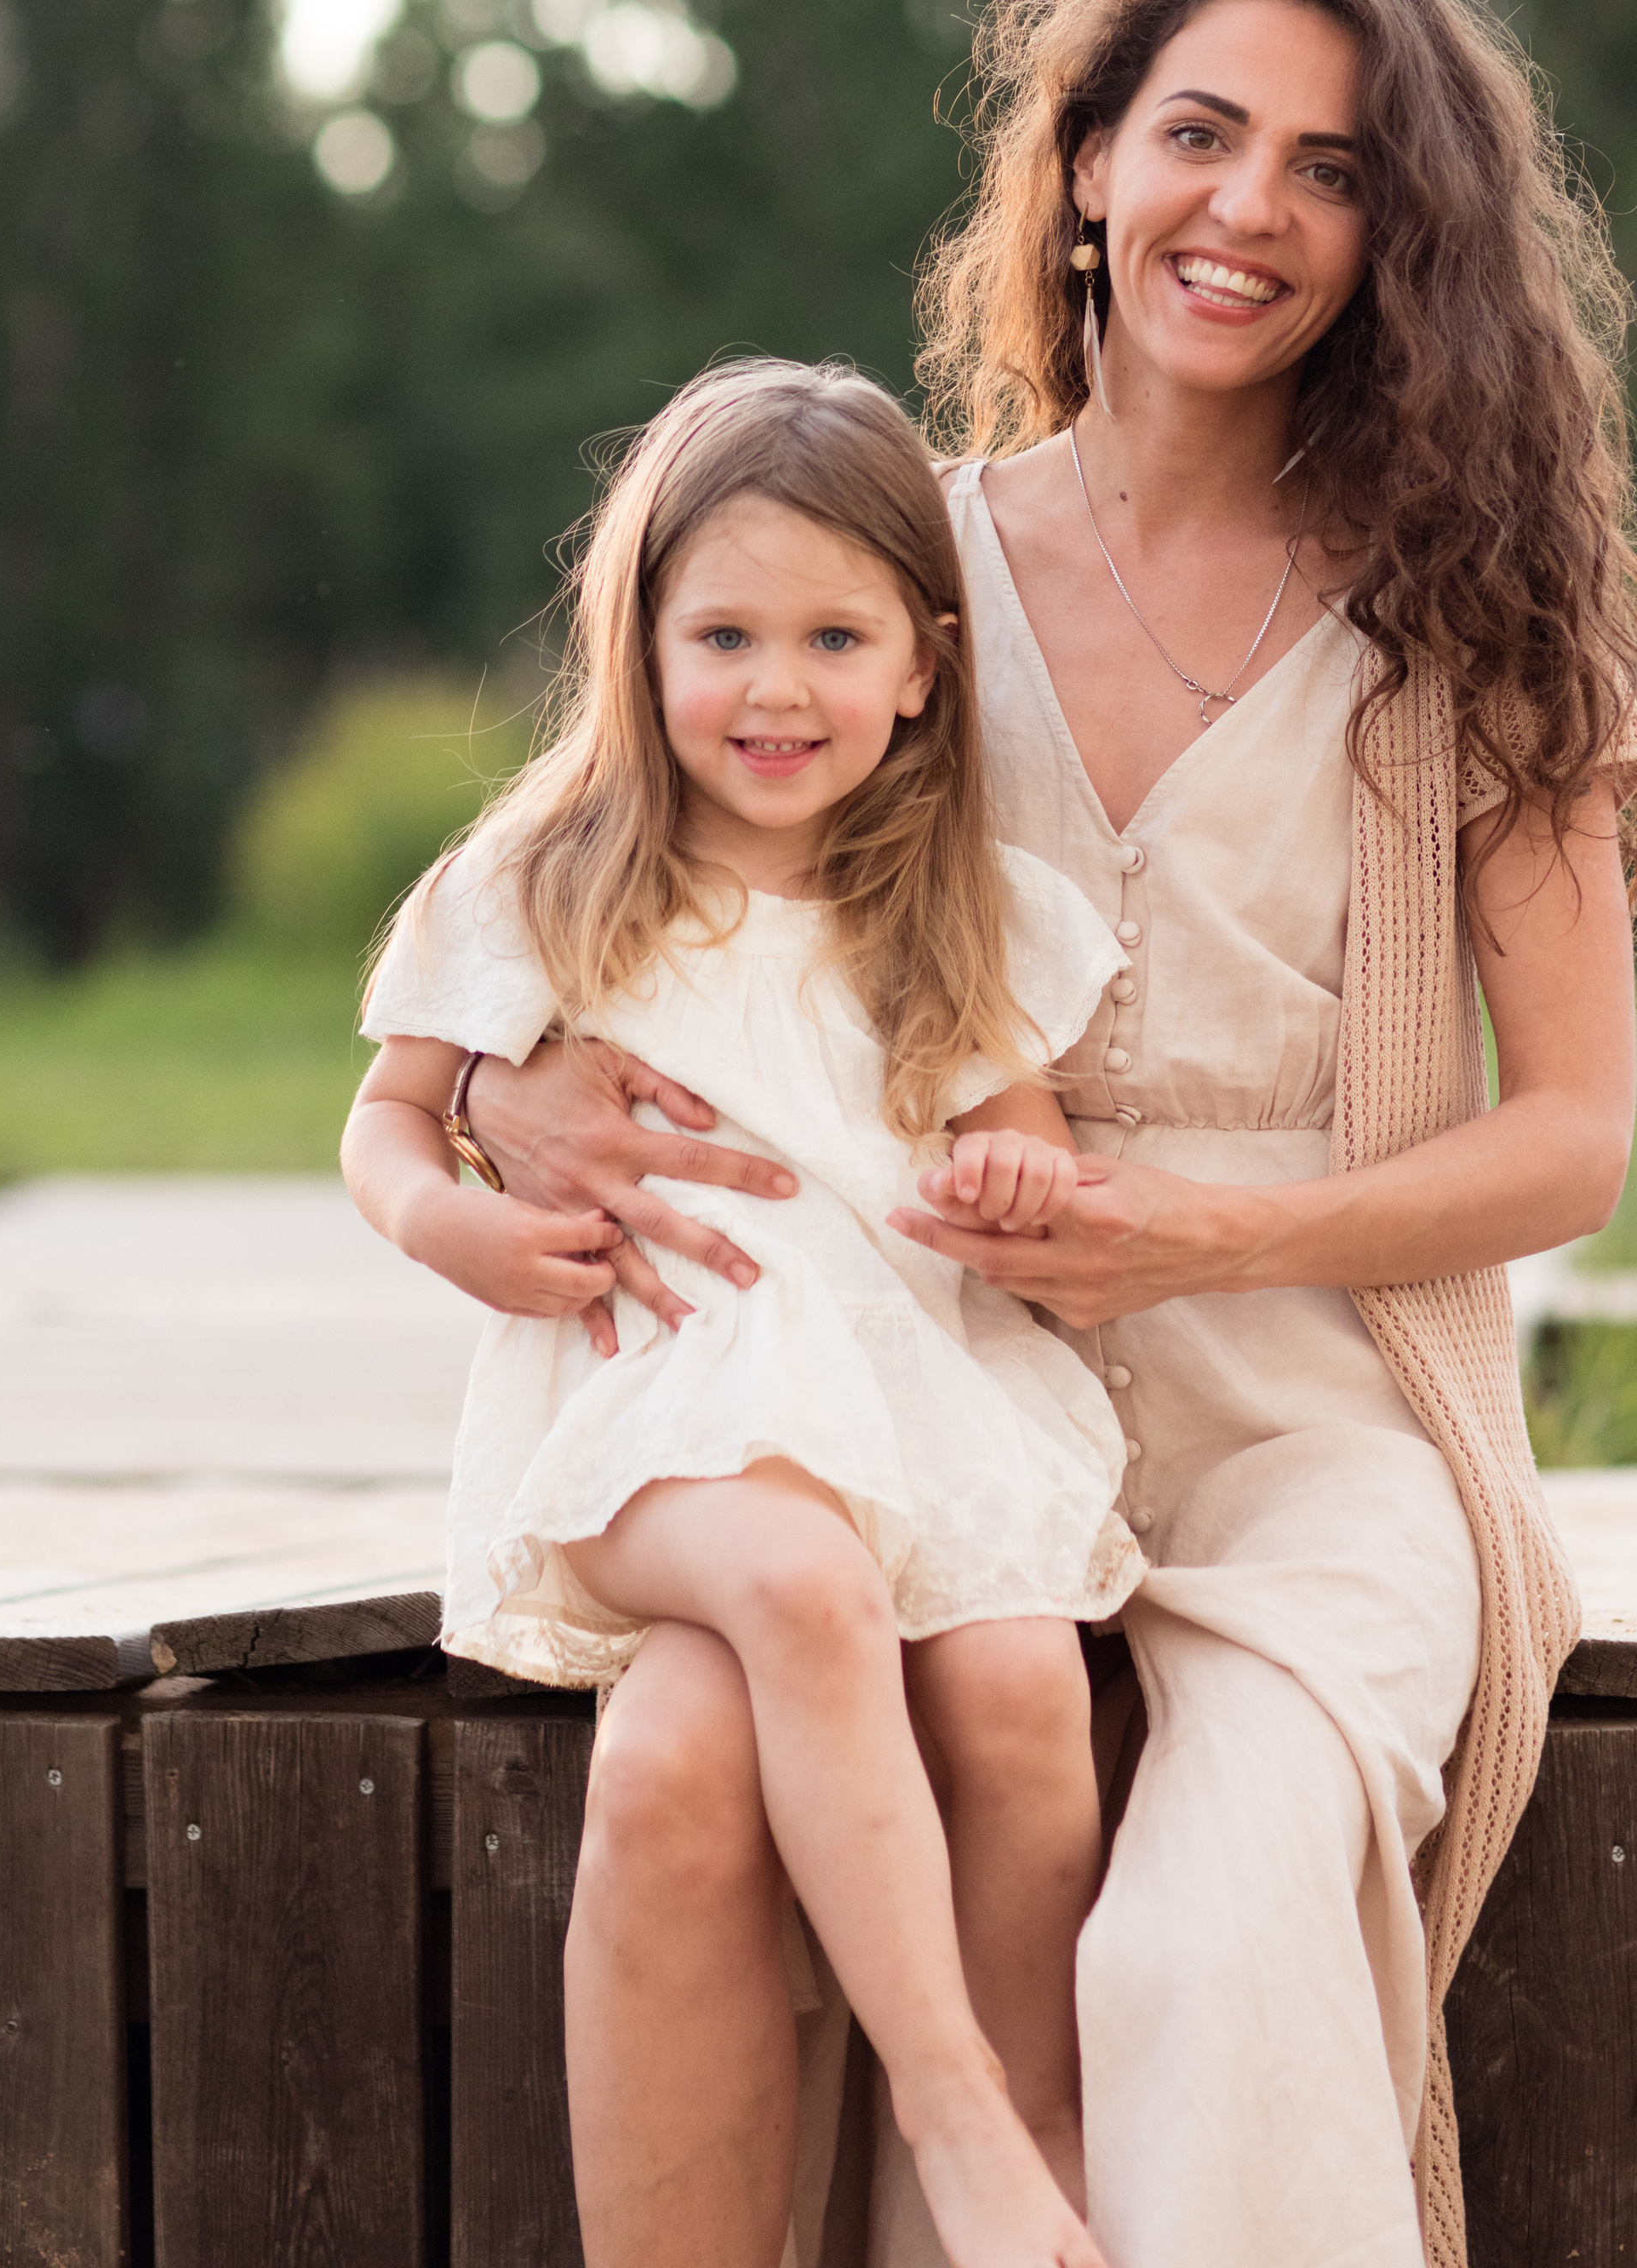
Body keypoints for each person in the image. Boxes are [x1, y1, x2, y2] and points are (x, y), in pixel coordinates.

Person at [446, 0, 1637, 2268]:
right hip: (906, 1367)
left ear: (1403, 237)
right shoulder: (893, 565)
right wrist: (493, 1101)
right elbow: (602, 881)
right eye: (1199, 135)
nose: (1249, 208)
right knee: (680, 1774)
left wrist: (1210, 1234)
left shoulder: (1478, 609)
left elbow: (1573, 1143)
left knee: (1199, 1946)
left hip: (1312, 1416)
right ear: (1086, 168)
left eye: (1333, 170)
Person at [342, 359, 1153, 2268]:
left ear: (922, 667)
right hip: (654, 1410)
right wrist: (458, 1231)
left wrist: (1012, 1186)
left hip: (902, 1405)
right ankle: (953, 2107)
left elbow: (1022, 1159)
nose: (775, 690)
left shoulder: (950, 911)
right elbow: (385, 1126)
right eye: (722, 636)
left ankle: (1037, 2116)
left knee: (1018, 1685)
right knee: (799, 1588)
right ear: (638, 646)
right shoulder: (544, 885)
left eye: (831, 639)